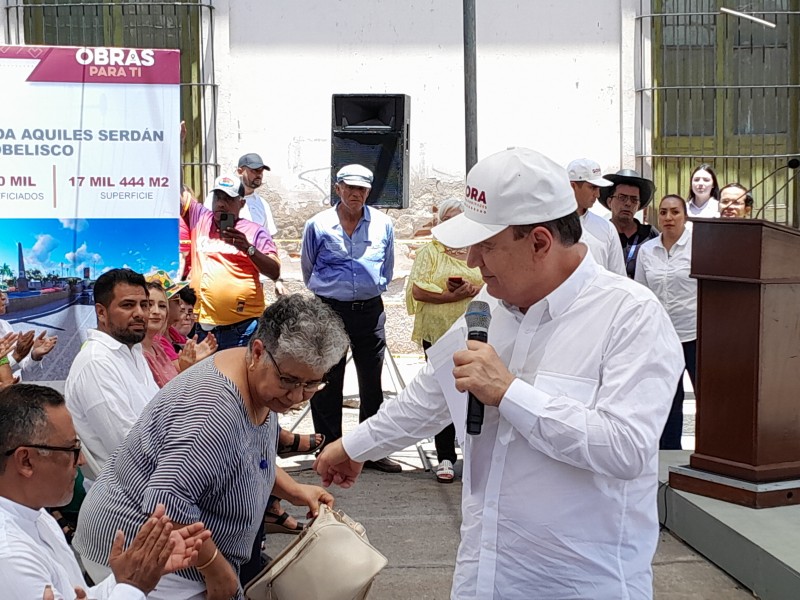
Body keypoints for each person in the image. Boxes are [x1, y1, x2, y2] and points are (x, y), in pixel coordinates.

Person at [314, 148, 684, 599]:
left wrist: (510, 393)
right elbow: (430, 395)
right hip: (484, 577)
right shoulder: (489, 308)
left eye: (486, 245)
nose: (472, 260)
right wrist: (355, 446)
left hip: (580, 585)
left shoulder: (632, 317)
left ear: (540, 242)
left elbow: (624, 448)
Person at [74, 295, 348, 600]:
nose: (297, 396)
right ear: (258, 352)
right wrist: (215, 568)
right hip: (144, 550)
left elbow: (247, 457)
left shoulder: (259, 378)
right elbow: (168, 500)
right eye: (289, 381)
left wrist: (295, 491)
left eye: (312, 384)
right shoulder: (213, 410)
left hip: (184, 550)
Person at [0, 383, 211, 599]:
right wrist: (132, 586)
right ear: (26, 461)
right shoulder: (10, 557)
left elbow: (82, 594)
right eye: (71, 450)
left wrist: (127, 575)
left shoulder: (34, 514)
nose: (81, 461)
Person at [301, 164, 400, 473]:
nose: (356, 194)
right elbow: (308, 268)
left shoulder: (383, 224)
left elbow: (388, 268)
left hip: (369, 311)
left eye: (362, 189)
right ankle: (329, 448)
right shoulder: (317, 225)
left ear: (369, 192)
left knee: (372, 383)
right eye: (350, 188)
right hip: (329, 311)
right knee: (327, 382)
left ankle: (368, 450)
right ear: (338, 188)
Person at [405, 198, 483, 483]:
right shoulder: (431, 251)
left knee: (476, 393)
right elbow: (417, 291)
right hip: (438, 333)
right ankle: (445, 457)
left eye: (460, 218)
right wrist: (450, 296)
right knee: (443, 394)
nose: (454, 224)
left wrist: (473, 289)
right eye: (449, 218)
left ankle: (474, 456)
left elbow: (492, 283)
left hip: (474, 332)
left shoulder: (478, 249)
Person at [65, 269, 159, 479]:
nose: (141, 313)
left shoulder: (132, 351)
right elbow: (132, 449)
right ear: (101, 312)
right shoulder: (96, 362)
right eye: (128, 305)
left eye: (144, 305)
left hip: (155, 482)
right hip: (128, 496)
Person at [182, 175, 280, 351]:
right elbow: (177, 190)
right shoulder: (201, 218)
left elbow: (275, 272)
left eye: (228, 198)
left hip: (241, 329)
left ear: (241, 204)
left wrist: (248, 248)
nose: (221, 203)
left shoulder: (254, 231)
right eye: (218, 197)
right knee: (207, 379)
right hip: (202, 328)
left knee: (238, 378)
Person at [635, 195, 697, 450]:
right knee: (669, 400)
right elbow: (641, 293)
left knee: (712, 401)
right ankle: (669, 455)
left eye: (675, 212)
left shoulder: (699, 246)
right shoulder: (647, 251)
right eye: (663, 213)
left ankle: (709, 456)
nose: (669, 218)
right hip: (662, 337)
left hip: (695, 334)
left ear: (685, 216)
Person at [141, 279, 217, 388]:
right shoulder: (140, 351)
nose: (156, 311)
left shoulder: (157, 347)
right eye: (176, 299)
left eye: (162, 305)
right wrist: (186, 366)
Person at [566, 158, 626, 275]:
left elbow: (618, 277)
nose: (598, 194)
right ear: (573, 186)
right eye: (593, 187)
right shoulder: (551, 227)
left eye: (598, 188)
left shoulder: (607, 228)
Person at [599, 169, 659, 278]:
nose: (628, 203)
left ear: (639, 205)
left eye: (634, 199)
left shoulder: (650, 234)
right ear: (609, 202)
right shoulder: (601, 234)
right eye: (622, 198)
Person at [0, 287, 58, 381]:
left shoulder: (5, 325)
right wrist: (16, 357)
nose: (3, 297)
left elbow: (27, 370)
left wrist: (35, 356)